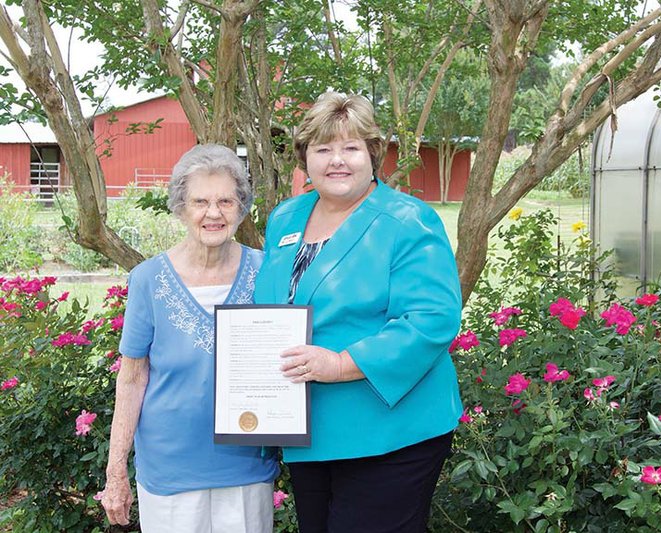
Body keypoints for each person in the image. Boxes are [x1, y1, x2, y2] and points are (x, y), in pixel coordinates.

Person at [253, 93, 463, 532]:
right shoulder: (285, 219)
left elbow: (431, 320)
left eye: (350, 148)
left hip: (390, 430)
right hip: (309, 429)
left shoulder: (408, 221)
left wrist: (341, 364)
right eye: (323, 148)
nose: (337, 161)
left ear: (373, 153)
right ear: (304, 158)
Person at [101, 144, 279, 532]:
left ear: (241, 207)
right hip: (169, 473)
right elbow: (131, 378)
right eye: (200, 201)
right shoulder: (148, 279)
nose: (213, 213)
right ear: (181, 207)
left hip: (245, 467)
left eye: (225, 201)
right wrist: (116, 472)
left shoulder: (266, 272)